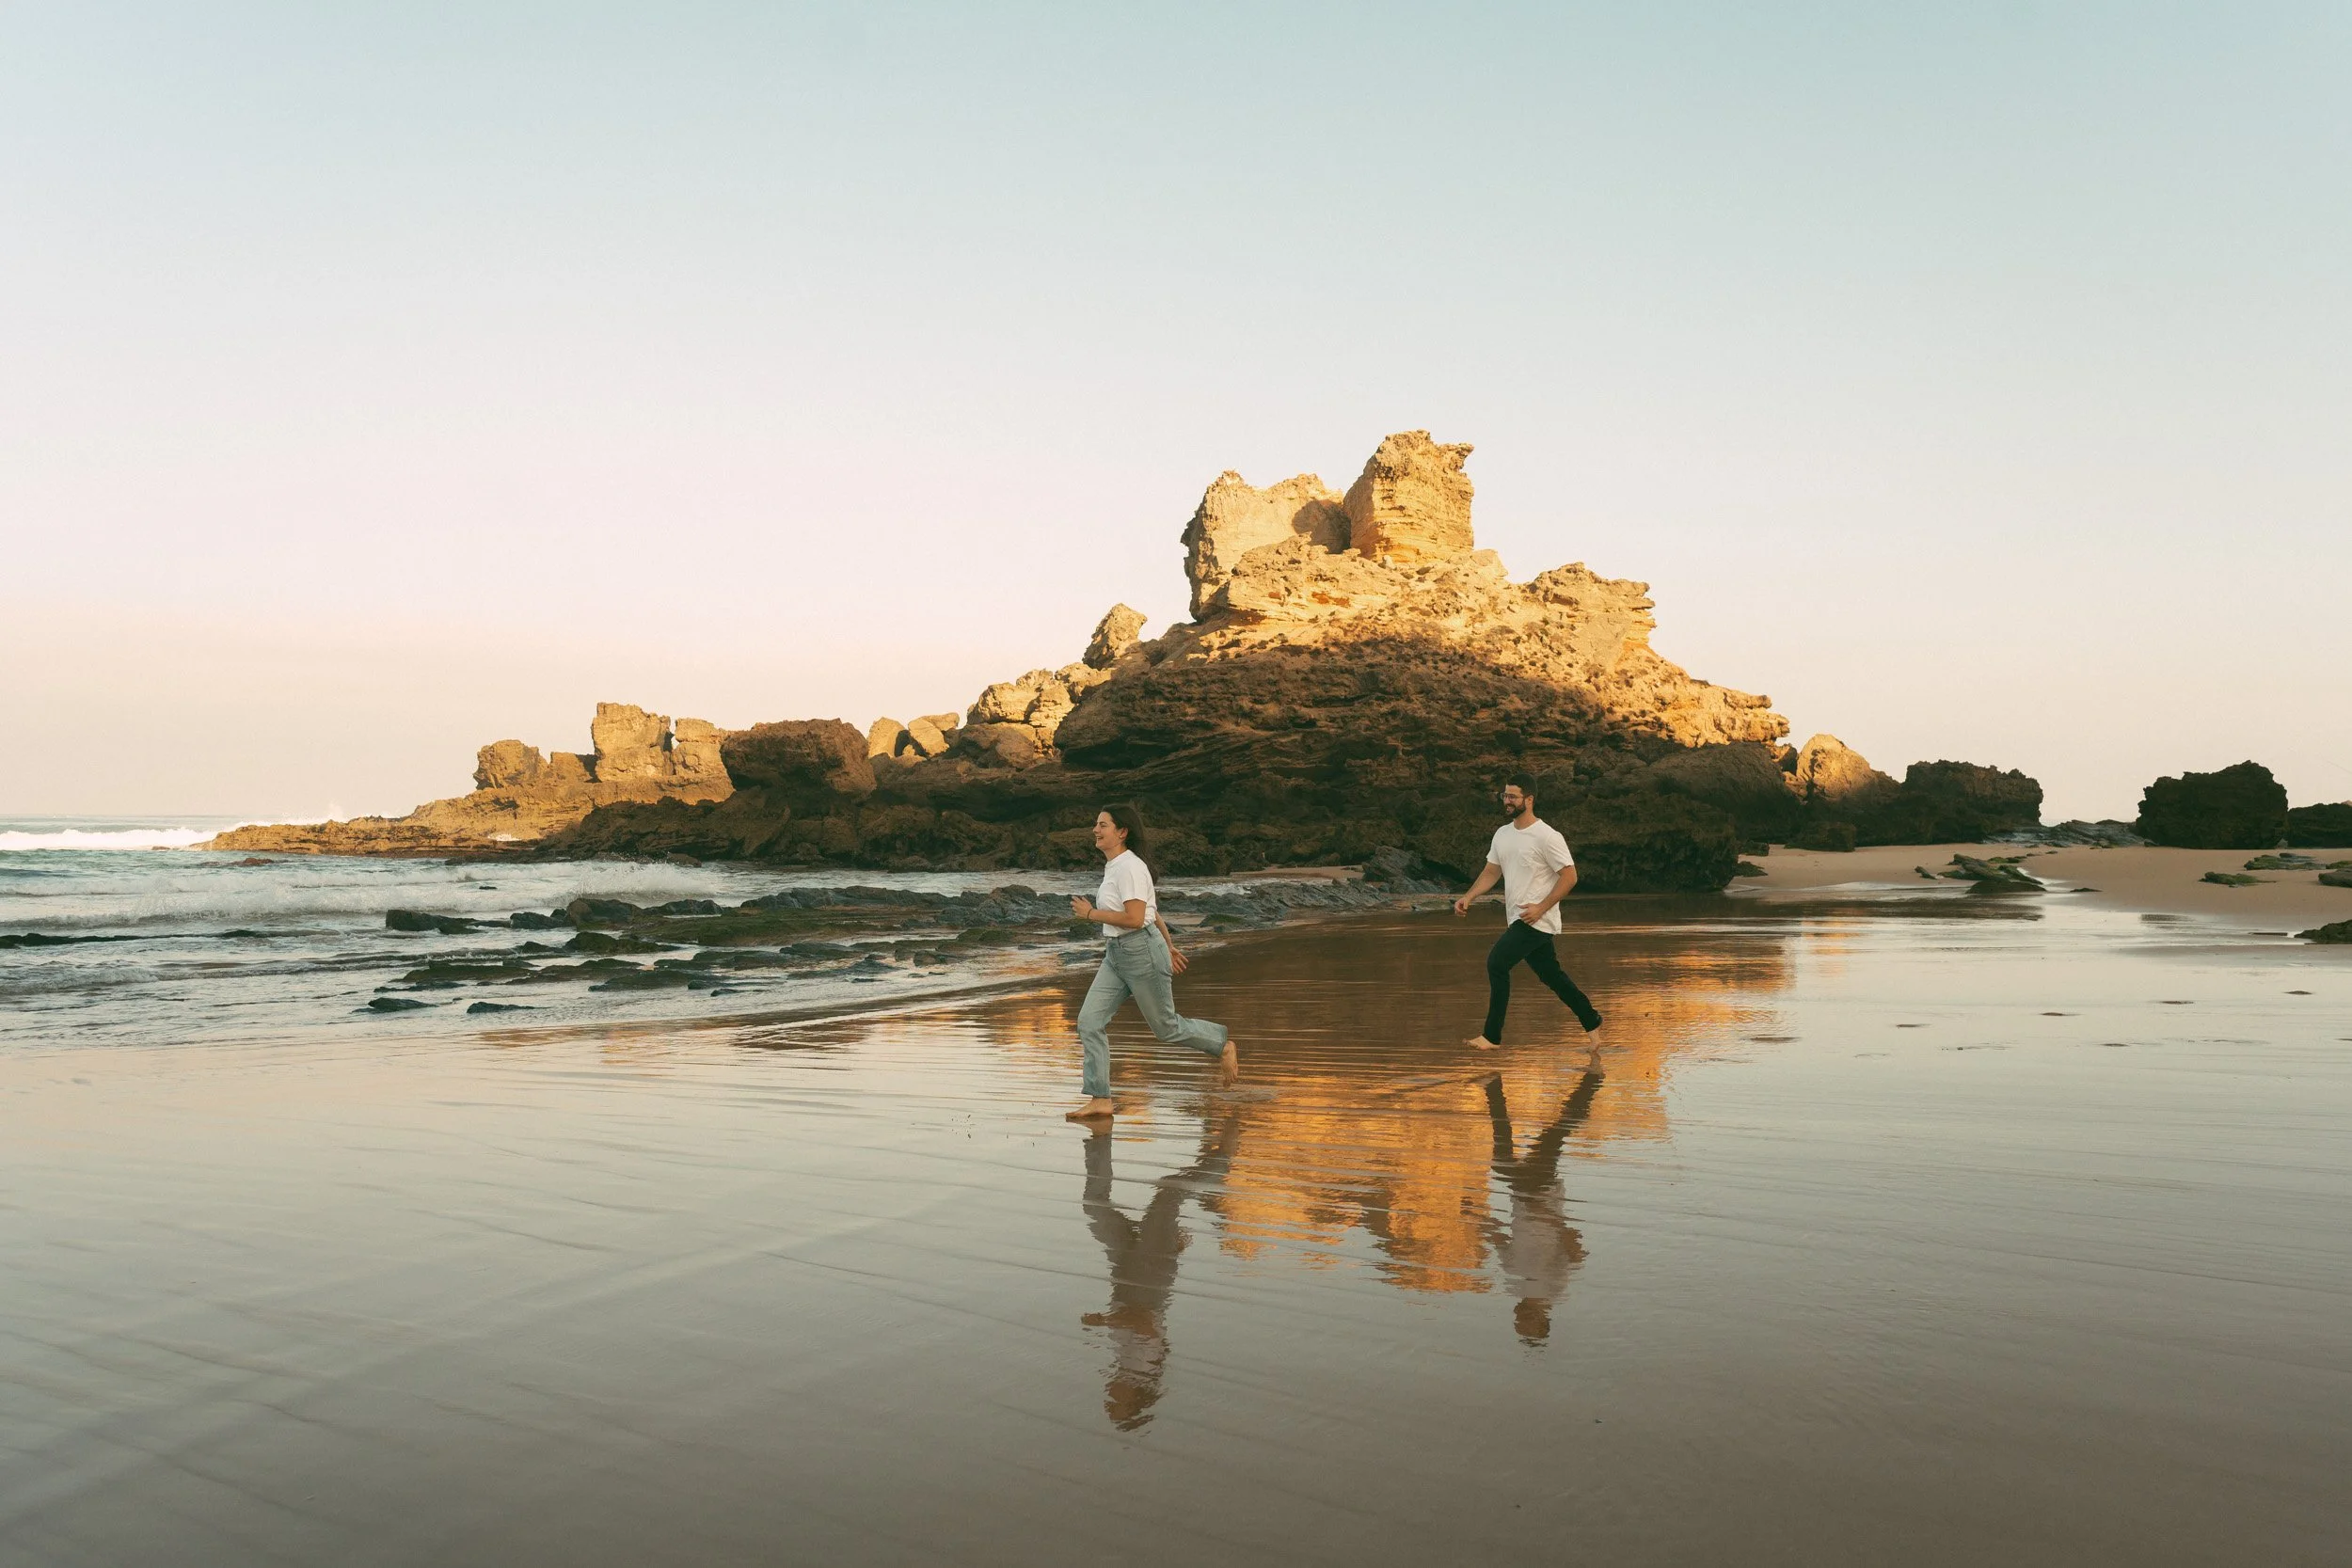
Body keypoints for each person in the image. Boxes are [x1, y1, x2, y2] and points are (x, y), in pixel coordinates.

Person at [1065, 804, 1236, 1121]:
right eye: (1096, 824)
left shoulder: (1129, 867)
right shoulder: (1116, 866)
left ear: (1122, 832)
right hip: (1116, 954)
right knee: (1089, 1022)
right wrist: (1169, 946)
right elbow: (1151, 912)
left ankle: (1221, 1045)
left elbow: (1133, 918)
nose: (1095, 830)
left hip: (1140, 951)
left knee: (1166, 1028)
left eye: (1103, 825)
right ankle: (1101, 1098)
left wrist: (1091, 914)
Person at [1453, 772, 1603, 1052]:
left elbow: (1570, 876)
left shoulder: (1547, 836)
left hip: (1536, 920)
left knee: (1497, 963)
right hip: (1518, 918)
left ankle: (1492, 1036)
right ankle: (1592, 1021)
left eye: (1512, 796)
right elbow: (1491, 871)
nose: (1506, 801)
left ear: (1529, 799)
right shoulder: (1502, 834)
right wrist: (1468, 896)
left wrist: (1541, 908)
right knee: (1553, 977)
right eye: (1504, 795)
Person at [1482, 1069, 1602, 1344]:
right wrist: (1546, 1214)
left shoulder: (1513, 1284)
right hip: (1543, 1193)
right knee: (1550, 1137)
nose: (1517, 1320)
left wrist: (1476, 1217)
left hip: (1522, 1196)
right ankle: (1590, 1085)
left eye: (1517, 1324)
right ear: (1540, 1321)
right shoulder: (1556, 1288)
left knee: (1528, 1148)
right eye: (1524, 1325)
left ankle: (1495, 1086)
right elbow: (1575, 1247)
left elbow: (1500, 1239)